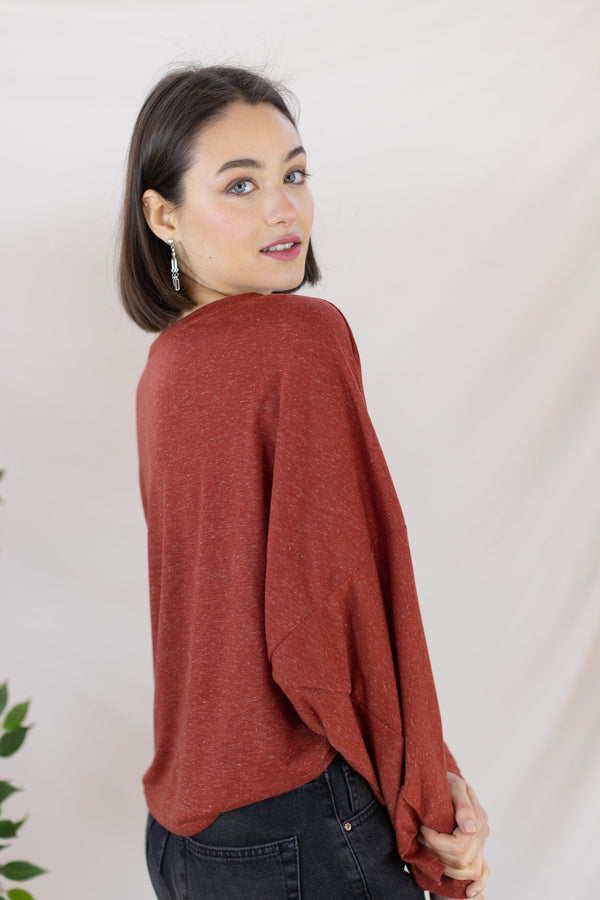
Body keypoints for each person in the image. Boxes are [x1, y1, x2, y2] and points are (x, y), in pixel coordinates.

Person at [118, 64, 489, 900]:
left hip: (186, 838)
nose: (283, 208)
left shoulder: (164, 368)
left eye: (294, 174)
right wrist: (431, 801)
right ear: (163, 215)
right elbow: (331, 613)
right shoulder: (301, 339)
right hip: (300, 824)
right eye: (240, 185)